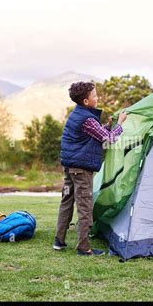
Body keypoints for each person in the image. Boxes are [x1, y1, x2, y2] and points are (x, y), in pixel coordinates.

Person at [53, 81, 127, 256]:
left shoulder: (78, 114)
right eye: (94, 95)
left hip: (70, 167)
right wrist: (120, 125)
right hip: (81, 170)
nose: (97, 97)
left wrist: (108, 126)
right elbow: (108, 139)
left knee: (66, 201)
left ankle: (59, 240)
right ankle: (83, 247)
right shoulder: (87, 118)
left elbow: (96, 134)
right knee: (85, 206)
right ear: (86, 101)